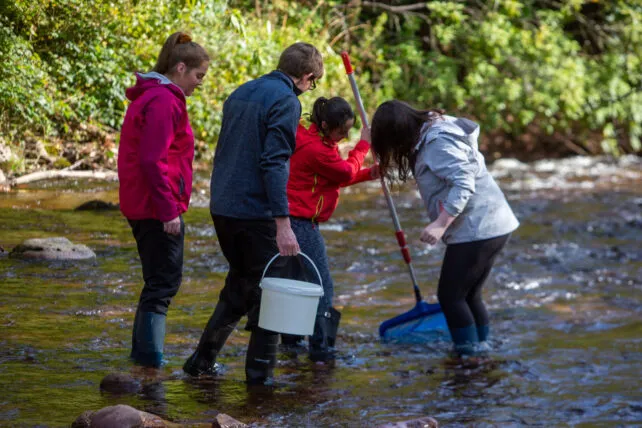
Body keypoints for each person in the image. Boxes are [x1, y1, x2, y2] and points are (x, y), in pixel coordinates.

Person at [183, 42, 324, 384]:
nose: (310, 89)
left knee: (243, 284)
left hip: (222, 205)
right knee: (274, 289)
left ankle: (201, 363)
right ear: (306, 76)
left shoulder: (241, 92)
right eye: (313, 82)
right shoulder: (286, 101)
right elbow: (274, 163)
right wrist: (283, 223)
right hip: (253, 211)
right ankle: (260, 381)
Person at [370, 100, 519, 357]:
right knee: (469, 294)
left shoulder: (436, 143)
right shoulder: (433, 125)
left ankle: (467, 358)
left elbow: (463, 182)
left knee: (450, 297)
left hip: (479, 226)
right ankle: (481, 352)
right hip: (495, 221)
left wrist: (440, 224)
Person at [117, 31, 210, 367]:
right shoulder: (163, 101)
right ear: (181, 68)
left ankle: (144, 361)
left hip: (146, 203)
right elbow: (151, 159)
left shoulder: (155, 97)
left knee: (158, 282)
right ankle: (149, 362)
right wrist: (169, 210)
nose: (200, 83)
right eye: (199, 76)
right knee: (163, 283)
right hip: (155, 207)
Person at [281, 96, 378, 361]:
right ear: (325, 124)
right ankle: (321, 349)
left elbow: (333, 177)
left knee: (297, 282)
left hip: (290, 220)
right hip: (300, 223)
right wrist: (363, 145)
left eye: (349, 130)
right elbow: (344, 172)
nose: (345, 135)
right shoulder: (316, 149)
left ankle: (291, 343)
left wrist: (368, 174)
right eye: (342, 130)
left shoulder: (316, 139)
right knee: (321, 285)